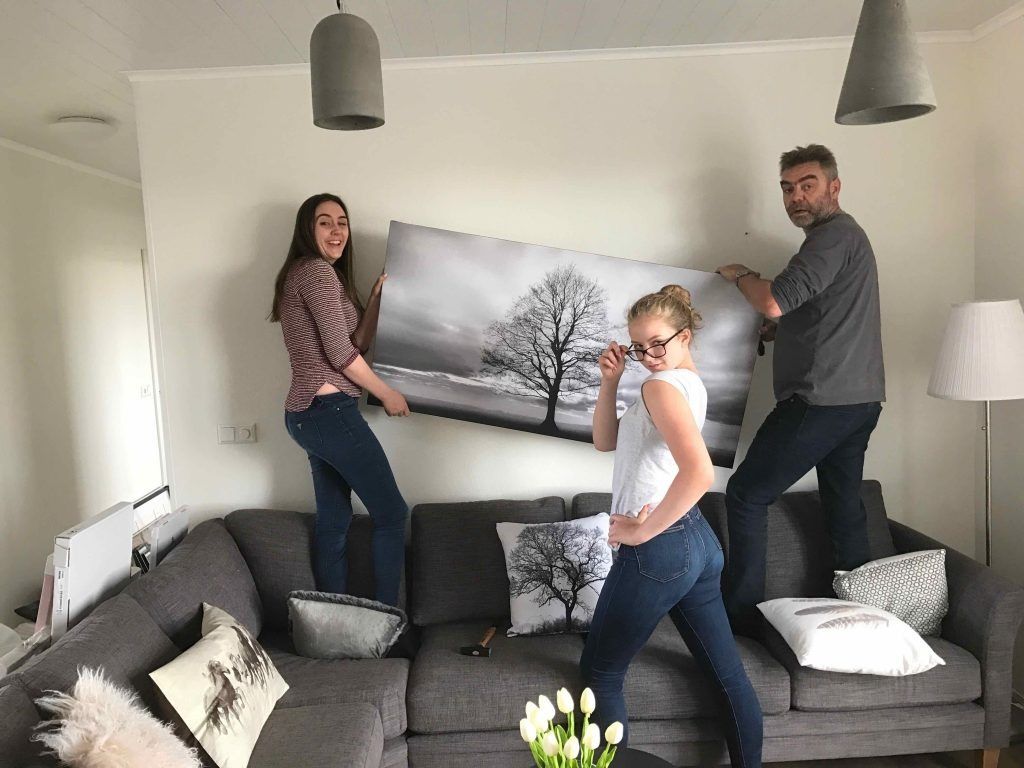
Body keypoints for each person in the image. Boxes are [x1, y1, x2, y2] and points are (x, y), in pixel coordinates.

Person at [580, 286, 763, 767]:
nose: (647, 356)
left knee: (600, 674)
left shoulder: (661, 387)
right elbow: (604, 442)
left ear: (684, 336)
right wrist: (610, 382)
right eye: (638, 348)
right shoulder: (683, 383)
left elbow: (700, 474)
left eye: (657, 344)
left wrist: (641, 533)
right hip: (696, 540)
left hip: (660, 549)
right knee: (727, 676)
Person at [716, 144, 885, 637]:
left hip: (820, 400)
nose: (796, 197)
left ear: (834, 186)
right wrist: (781, 332)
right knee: (843, 506)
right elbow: (817, 312)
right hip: (858, 400)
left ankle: (741, 619)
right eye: (788, 189)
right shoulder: (842, 239)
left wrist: (741, 276)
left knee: (746, 494)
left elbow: (774, 300)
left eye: (807, 185)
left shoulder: (832, 237)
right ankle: (860, 618)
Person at [269, 193, 410, 607]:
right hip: (328, 412)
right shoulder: (315, 272)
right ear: (307, 229)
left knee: (334, 521)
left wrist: (376, 299)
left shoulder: (319, 275)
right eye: (325, 222)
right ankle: (386, 619)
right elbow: (339, 355)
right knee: (392, 514)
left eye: (342, 222)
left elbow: (356, 343)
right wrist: (386, 393)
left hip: (308, 415)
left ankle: (332, 622)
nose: (336, 231)